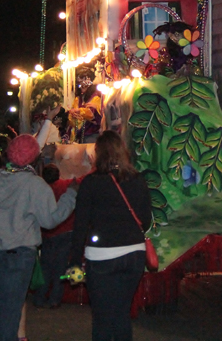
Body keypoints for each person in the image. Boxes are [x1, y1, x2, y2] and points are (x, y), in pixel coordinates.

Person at [0, 134, 78, 341]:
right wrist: (70, 196)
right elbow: (50, 220)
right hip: (20, 255)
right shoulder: (35, 185)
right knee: (11, 312)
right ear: (35, 158)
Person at [69, 131, 152, 341]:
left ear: (98, 154)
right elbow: (146, 220)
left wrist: (74, 262)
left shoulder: (90, 183)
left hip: (102, 256)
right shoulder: (138, 180)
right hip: (134, 254)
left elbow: (80, 226)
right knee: (122, 313)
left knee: (102, 317)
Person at [33, 164, 78, 309]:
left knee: (45, 267)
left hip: (47, 234)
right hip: (66, 232)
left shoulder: (41, 190)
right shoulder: (66, 186)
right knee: (60, 267)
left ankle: (40, 297)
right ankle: (54, 299)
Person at [68, 68, 103, 143]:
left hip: (91, 135)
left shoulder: (96, 97)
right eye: (79, 84)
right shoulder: (77, 99)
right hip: (78, 136)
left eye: (84, 84)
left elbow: (92, 114)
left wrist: (79, 111)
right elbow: (71, 119)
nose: (81, 86)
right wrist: (72, 114)